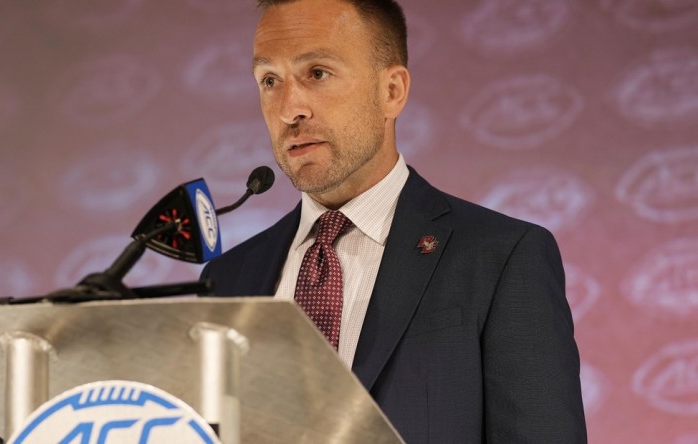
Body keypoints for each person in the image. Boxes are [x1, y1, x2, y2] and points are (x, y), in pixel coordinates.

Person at [200, 0, 588, 442]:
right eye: (269, 80)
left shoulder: (501, 258)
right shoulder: (227, 279)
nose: (290, 109)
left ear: (392, 91)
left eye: (317, 73)